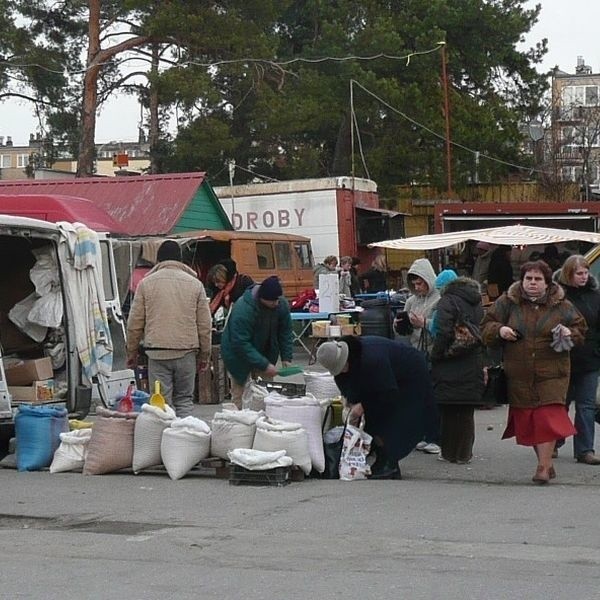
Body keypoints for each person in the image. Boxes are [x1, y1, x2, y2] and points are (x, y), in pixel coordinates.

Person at [481, 260, 587, 484]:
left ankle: (542, 467)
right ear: (522, 280)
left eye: (538, 279)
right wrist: (500, 330)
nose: (532, 283)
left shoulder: (562, 305)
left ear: (547, 283)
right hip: (519, 373)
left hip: (553, 372)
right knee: (529, 420)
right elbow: (486, 325)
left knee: (546, 418)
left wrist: (570, 332)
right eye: (528, 278)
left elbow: (581, 328)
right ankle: (547, 463)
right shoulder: (508, 302)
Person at [316, 335, 431, 480]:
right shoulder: (345, 365)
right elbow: (348, 387)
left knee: (385, 416)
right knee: (370, 417)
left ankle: (390, 464)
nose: (342, 371)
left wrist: (362, 406)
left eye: (342, 366)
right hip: (386, 381)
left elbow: (387, 394)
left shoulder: (372, 359)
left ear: (347, 357)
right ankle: (379, 457)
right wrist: (350, 403)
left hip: (410, 377)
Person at [126, 240, 212, 417]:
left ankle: (163, 441)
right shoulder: (195, 284)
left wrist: (131, 352)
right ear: (180, 260)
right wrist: (205, 355)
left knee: (161, 403)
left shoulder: (146, 284)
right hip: (187, 352)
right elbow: (205, 325)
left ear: (158, 260)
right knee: (185, 401)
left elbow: (135, 323)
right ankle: (184, 439)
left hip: (157, 353)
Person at [430, 274, 485, 464]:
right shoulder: (476, 300)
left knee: (449, 411)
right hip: (472, 360)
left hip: (449, 361)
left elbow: (443, 331)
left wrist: (435, 354)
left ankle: (449, 453)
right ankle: (464, 454)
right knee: (466, 412)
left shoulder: (447, 300)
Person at [221, 275, 294, 408]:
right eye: (272, 301)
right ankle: (238, 422)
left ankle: (262, 422)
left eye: (277, 299)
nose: (276, 303)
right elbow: (241, 344)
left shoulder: (280, 303)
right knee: (240, 393)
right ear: (262, 298)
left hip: (264, 350)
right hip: (236, 354)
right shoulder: (243, 309)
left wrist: (286, 358)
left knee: (265, 393)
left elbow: (285, 331)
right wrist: (265, 365)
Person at [555, 255, 600, 465]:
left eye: (585, 272)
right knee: (560, 403)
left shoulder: (595, 295)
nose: (583, 277)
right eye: (579, 273)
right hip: (563, 356)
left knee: (586, 405)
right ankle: (554, 441)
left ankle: (585, 449)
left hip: (590, 357)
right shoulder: (557, 296)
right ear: (569, 274)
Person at [397, 257, 441, 454]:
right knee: (418, 396)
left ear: (428, 280)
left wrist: (424, 323)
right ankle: (423, 434)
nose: (417, 286)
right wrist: (399, 324)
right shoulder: (411, 301)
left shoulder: (439, 298)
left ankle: (435, 437)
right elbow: (402, 330)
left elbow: (442, 327)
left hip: (433, 351)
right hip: (416, 352)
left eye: (420, 282)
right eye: (414, 283)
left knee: (433, 396)